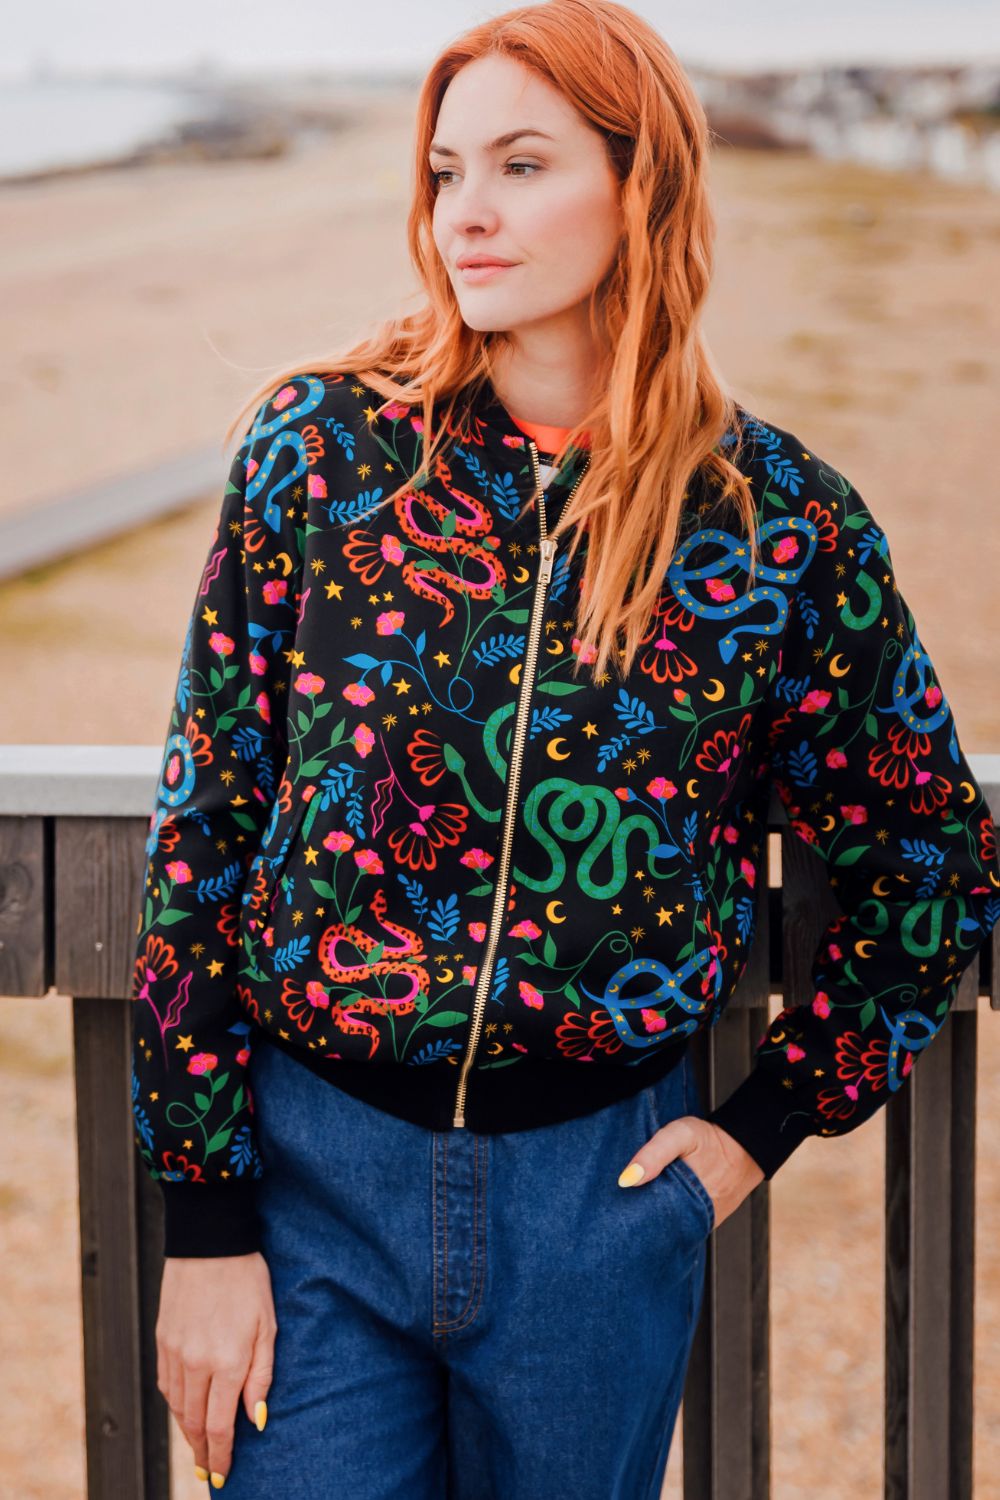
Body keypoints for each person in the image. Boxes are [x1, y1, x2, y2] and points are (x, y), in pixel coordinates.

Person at [129, 2, 1000, 1494]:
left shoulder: (775, 525)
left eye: (521, 165)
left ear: (641, 183)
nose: (467, 211)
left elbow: (932, 859)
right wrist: (205, 1220)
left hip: (599, 1205)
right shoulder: (319, 455)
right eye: (446, 171)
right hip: (312, 1185)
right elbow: (205, 827)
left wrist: (756, 1133)